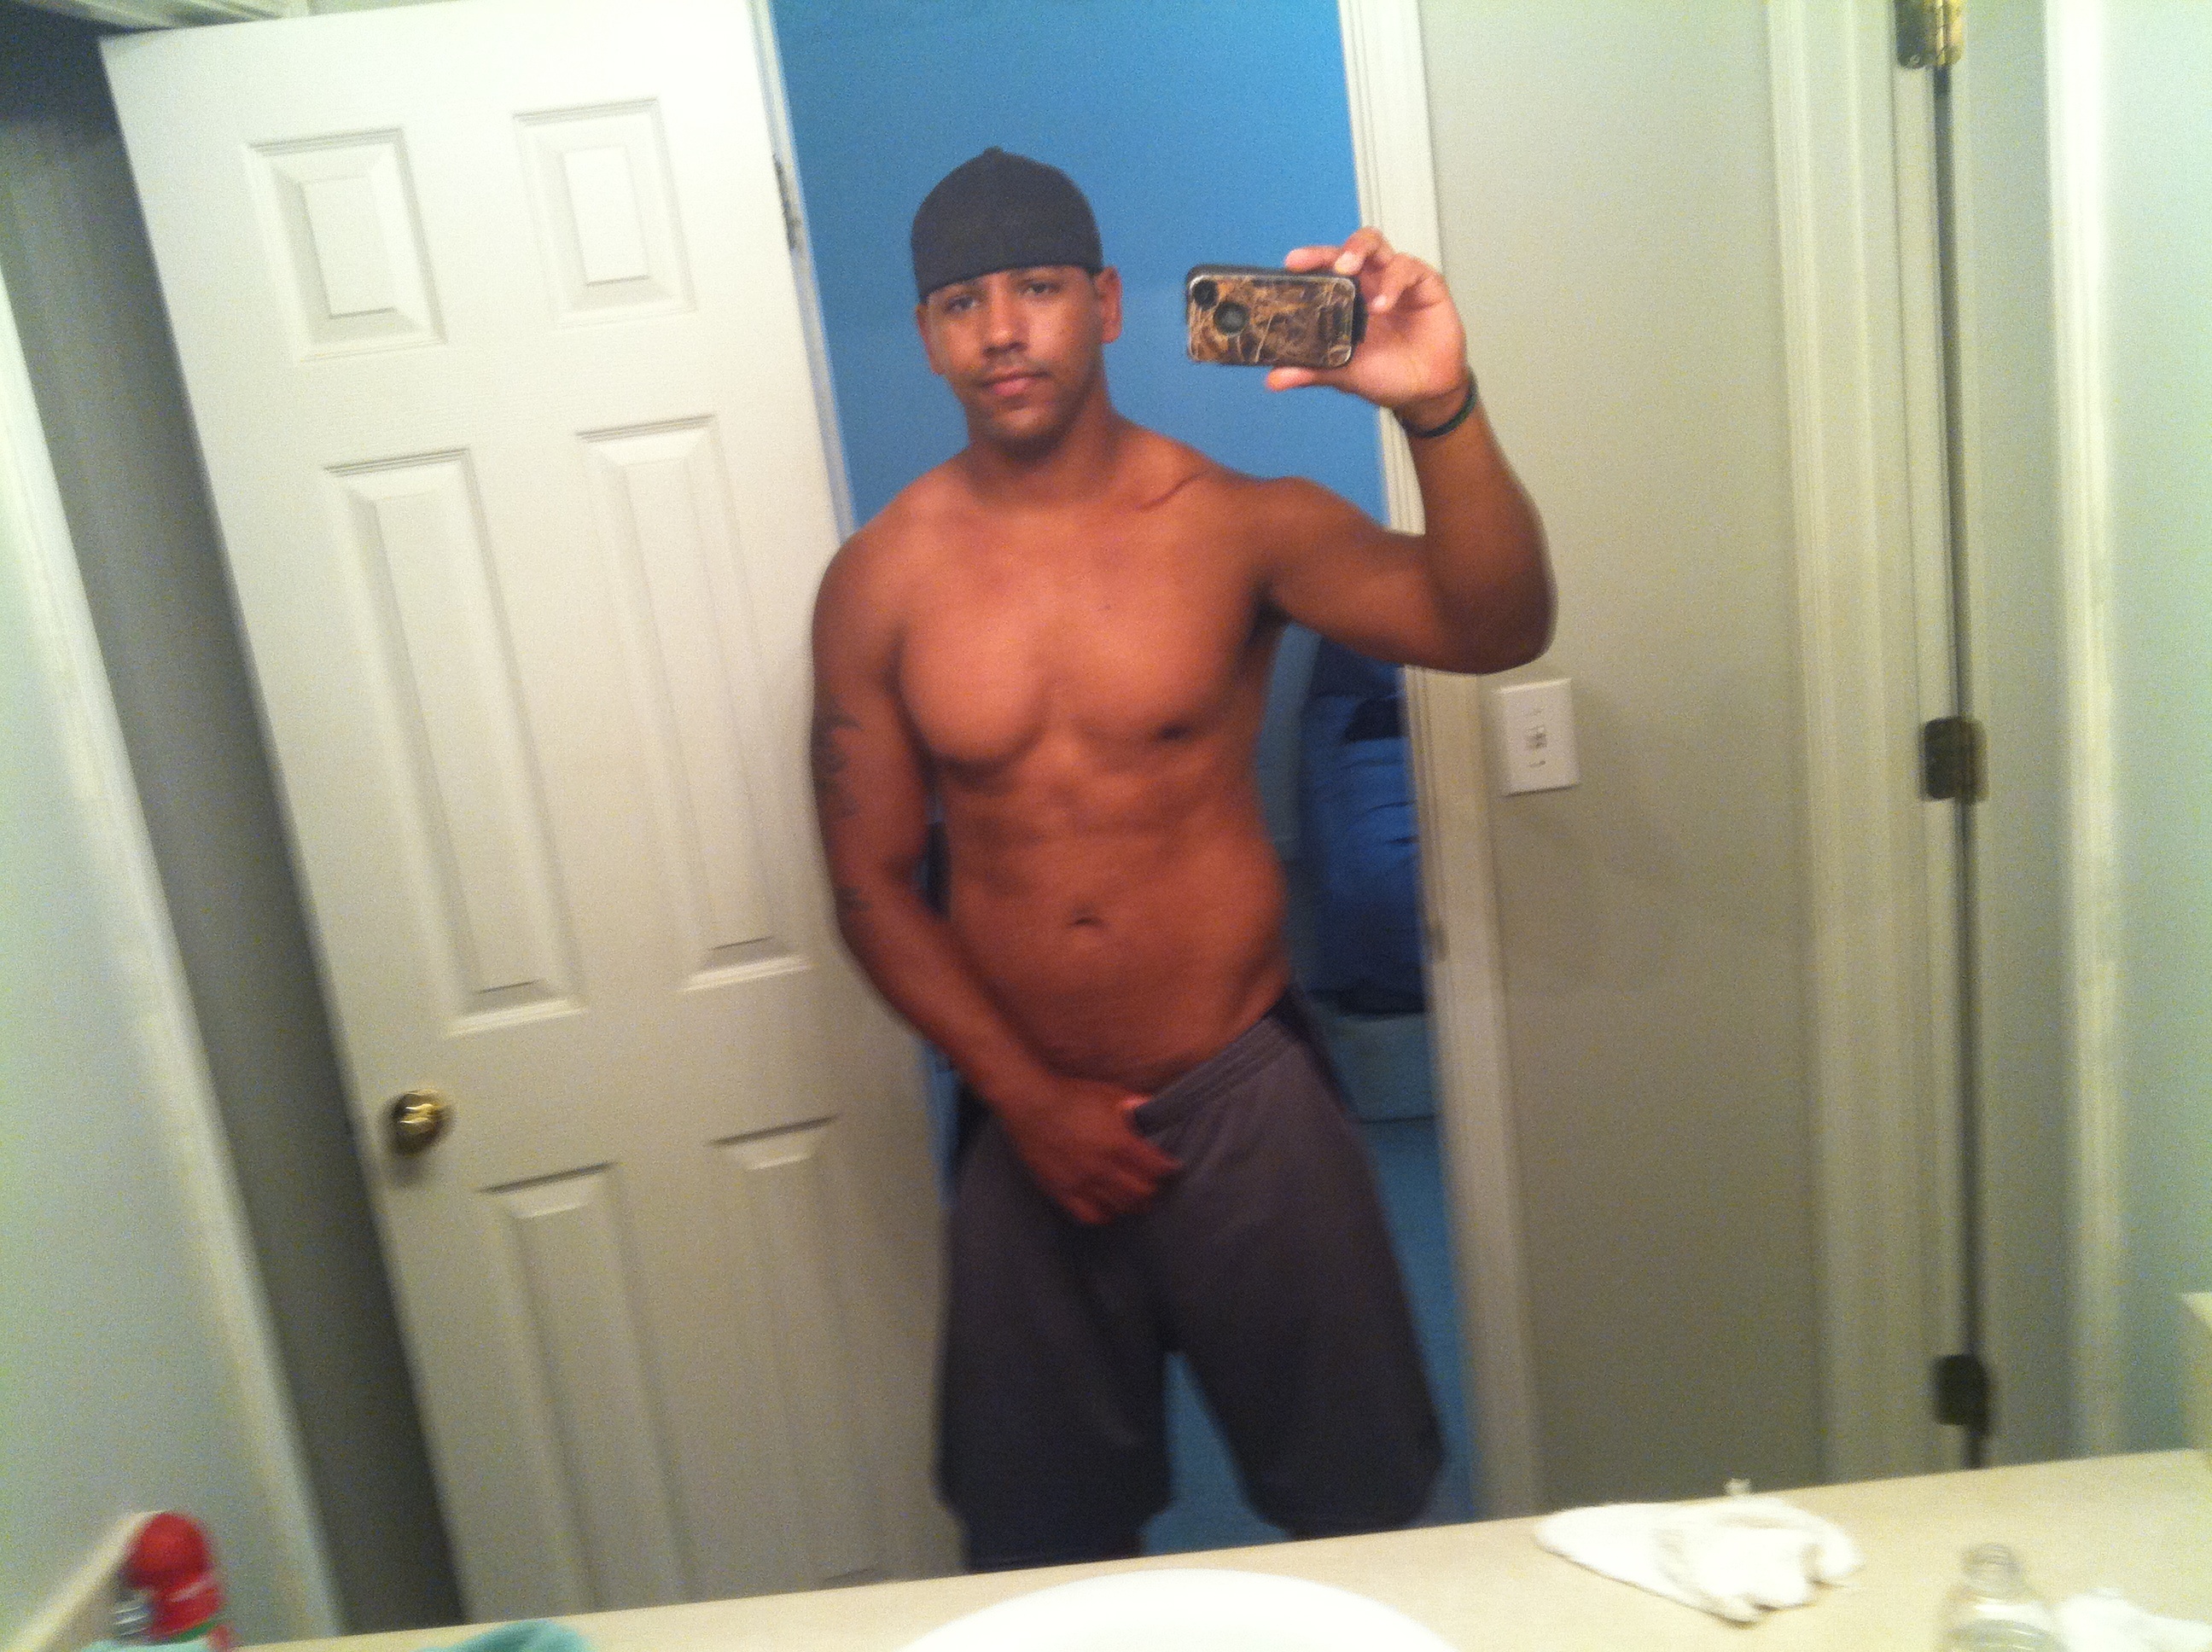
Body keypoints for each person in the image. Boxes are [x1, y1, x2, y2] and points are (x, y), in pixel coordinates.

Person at [809, 148, 1552, 1570]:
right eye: (963, 302)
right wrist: (1028, 1099)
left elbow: (1496, 624)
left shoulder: (1238, 525)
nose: (1002, 329)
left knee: (1362, 1521)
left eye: (1037, 288)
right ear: (927, 335)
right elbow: (869, 886)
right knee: (1040, 1546)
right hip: (1026, 1113)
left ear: (1104, 304)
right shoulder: (881, 581)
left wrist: (1437, 405)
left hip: (1244, 1091)